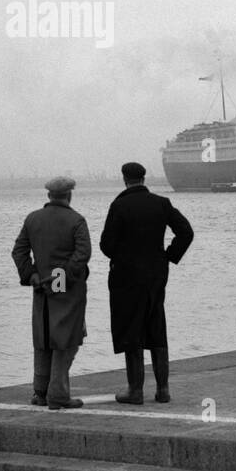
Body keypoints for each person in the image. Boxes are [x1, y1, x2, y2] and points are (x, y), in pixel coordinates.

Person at [99, 162, 194, 405]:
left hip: (127, 279)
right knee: (156, 328)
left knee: (132, 331)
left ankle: (135, 390)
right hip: (156, 276)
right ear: (144, 178)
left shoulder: (119, 206)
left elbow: (106, 245)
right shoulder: (161, 203)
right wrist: (169, 256)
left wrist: (124, 256)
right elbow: (186, 232)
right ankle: (163, 390)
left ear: (125, 179)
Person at [11, 176, 91, 411]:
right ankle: (58, 394)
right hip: (66, 289)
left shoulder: (32, 219)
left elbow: (19, 252)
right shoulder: (76, 220)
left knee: (43, 339)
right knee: (66, 340)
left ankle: (40, 392)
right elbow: (83, 254)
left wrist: (32, 275)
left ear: (49, 195)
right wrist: (61, 277)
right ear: (69, 195)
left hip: (41, 288)